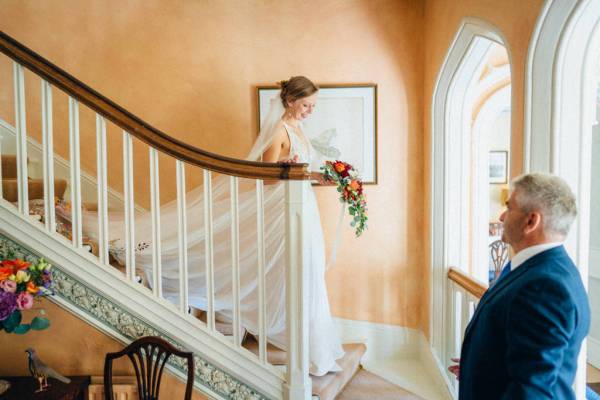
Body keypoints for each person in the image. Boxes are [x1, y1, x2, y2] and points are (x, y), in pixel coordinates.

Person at [68, 76, 344, 376]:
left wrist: (319, 178)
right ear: (290, 101)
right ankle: (307, 347)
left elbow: (296, 172)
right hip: (281, 211)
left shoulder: (298, 128)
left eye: (312, 106)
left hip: (302, 209)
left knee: (306, 270)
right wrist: (289, 170)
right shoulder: (279, 130)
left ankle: (312, 347)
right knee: (291, 271)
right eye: (306, 105)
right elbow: (265, 178)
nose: (309, 111)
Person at [450, 173, 590, 399]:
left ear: (531, 221)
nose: (502, 216)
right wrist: (479, 368)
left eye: (509, 207)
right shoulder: (535, 269)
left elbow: (532, 391)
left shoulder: (545, 288)